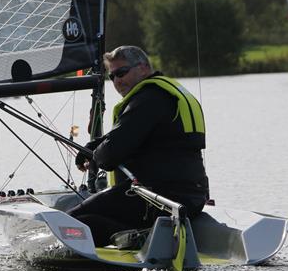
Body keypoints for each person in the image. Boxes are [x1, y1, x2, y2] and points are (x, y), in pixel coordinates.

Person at [67, 45, 210, 247]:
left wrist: (96, 155)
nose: (117, 81)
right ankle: (135, 235)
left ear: (143, 68)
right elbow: (136, 135)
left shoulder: (147, 99)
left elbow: (110, 156)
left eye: (122, 72)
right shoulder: (165, 93)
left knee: (71, 221)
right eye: (112, 76)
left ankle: (136, 239)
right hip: (192, 197)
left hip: (158, 199)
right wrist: (93, 147)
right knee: (92, 217)